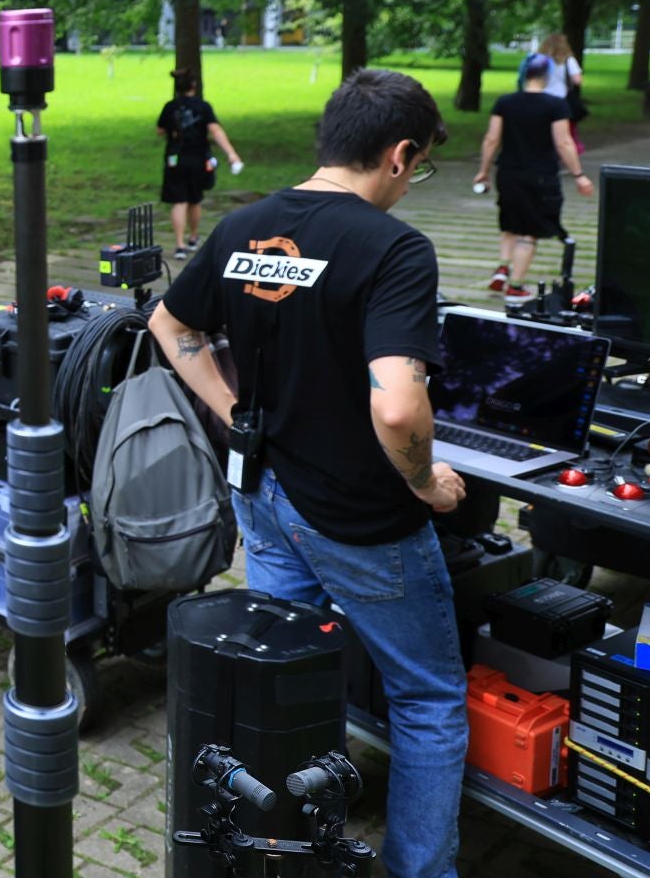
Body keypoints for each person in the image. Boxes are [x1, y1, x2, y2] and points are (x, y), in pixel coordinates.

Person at [148, 68, 469, 878]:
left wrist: (231, 411)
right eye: (422, 163)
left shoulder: (244, 225)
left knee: (284, 681)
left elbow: (169, 321)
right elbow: (397, 408)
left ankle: (283, 853)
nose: (414, 179)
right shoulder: (394, 249)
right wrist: (429, 483)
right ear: (398, 154)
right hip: (358, 515)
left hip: (264, 493)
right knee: (428, 700)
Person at [475, 53, 592, 306]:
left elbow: (491, 139)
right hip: (539, 176)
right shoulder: (555, 105)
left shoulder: (505, 102)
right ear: (547, 76)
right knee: (529, 232)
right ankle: (515, 287)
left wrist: (484, 170)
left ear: (524, 73)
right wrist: (579, 175)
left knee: (509, 222)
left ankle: (503, 268)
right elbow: (563, 142)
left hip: (508, 172)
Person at [155, 68, 242, 258]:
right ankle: (193, 237)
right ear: (194, 85)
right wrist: (231, 153)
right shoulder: (203, 107)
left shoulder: (170, 107)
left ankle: (179, 245)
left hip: (175, 159)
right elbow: (216, 130)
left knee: (179, 201)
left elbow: (160, 130)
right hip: (198, 159)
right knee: (195, 199)